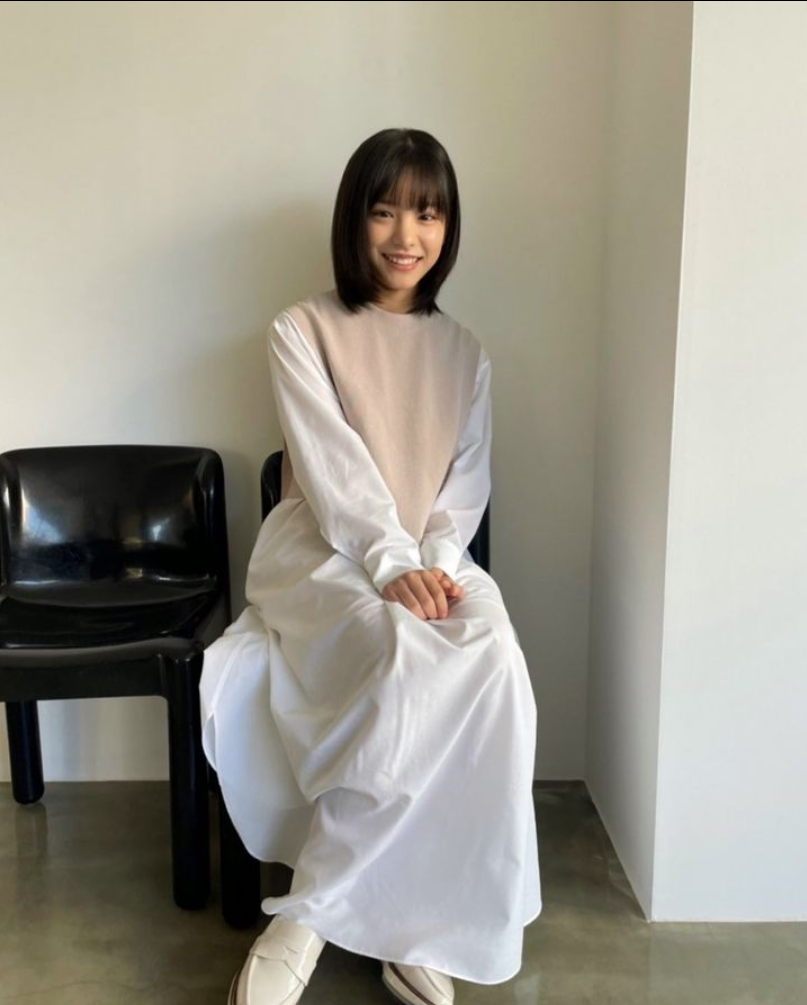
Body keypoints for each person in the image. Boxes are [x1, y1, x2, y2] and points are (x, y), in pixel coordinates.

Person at [199, 127, 542, 1005]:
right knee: (398, 649)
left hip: (432, 553)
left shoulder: (466, 352)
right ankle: (309, 922)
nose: (405, 235)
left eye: (427, 214)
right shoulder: (300, 329)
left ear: (447, 226)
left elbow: (465, 484)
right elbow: (331, 469)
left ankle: (416, 918)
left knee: (494, 660)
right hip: (318, 548)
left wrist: (434, 565)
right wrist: (390, 565)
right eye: (384, 211)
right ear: (353, 220)